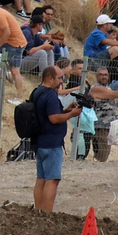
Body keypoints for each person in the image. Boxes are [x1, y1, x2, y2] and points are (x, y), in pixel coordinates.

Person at [31, 65, 82, 212]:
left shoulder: (37, 92)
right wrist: (72, 114)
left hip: (40, 142)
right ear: (49, 78)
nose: (61, 81)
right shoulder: (51, 95)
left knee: (41, 179)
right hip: (52, 143)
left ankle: (38, 210)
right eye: (59, 78)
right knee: (52, 180)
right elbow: (54, 118)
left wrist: (66, 110)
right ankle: (47, 214)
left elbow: (47, 114)